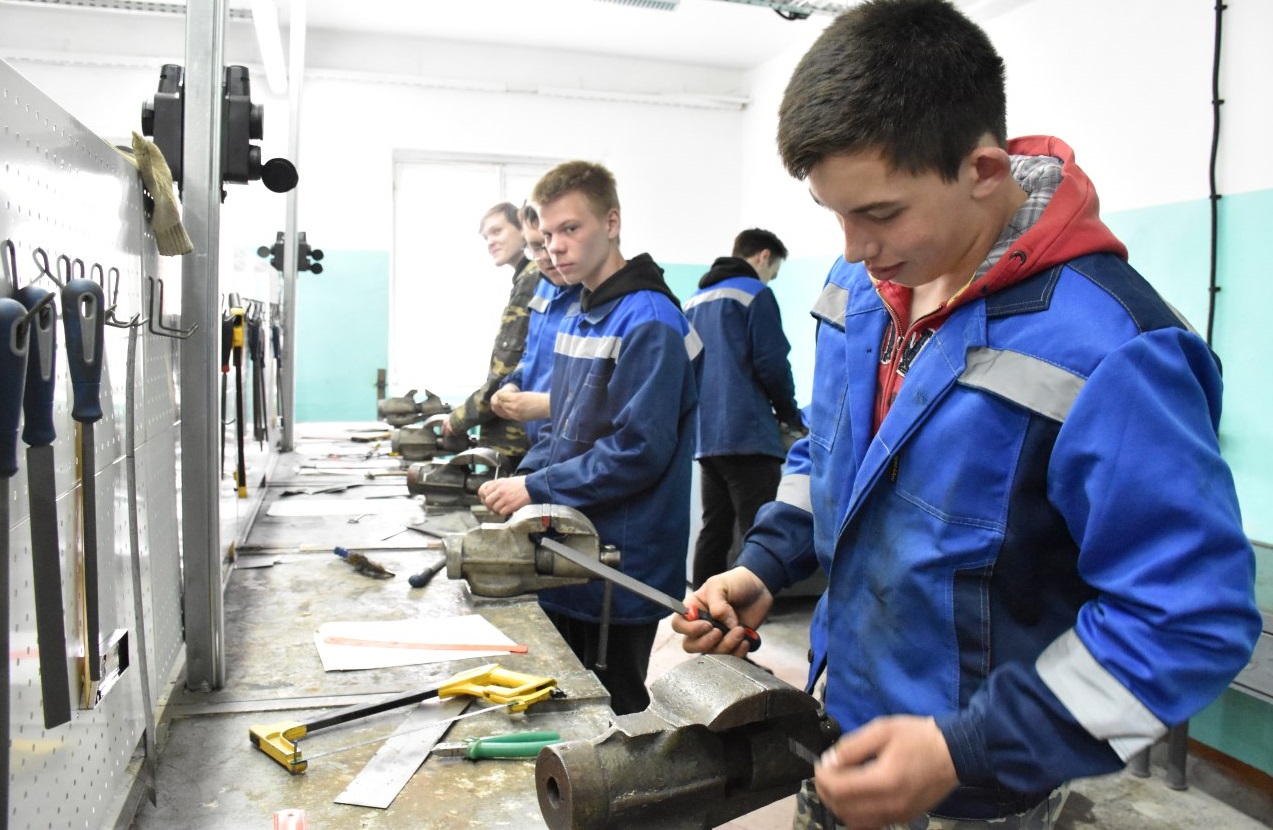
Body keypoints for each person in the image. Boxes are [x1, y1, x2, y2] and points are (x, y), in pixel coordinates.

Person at [671, 2, 1261, 828]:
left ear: (982, 169)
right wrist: (763, 565)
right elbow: (829, 456)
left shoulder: (1111, 351)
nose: (851, 247)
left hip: (982, 792)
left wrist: (970, 748)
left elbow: (1187, 617)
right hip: (838, 731)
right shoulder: (858, 289)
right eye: (834, 213)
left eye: (880, 213)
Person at [478, 161, 701, 715]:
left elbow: (638, 452)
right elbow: (566, 428)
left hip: (617, 562)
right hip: (572, 546)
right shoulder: (582, 314)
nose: (555, 246)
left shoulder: (649, 321)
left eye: (571, 229)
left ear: (612, 223)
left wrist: (537, 488)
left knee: (609, 708)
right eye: (548, 233)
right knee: (562, 699)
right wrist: (521, 481)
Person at [683, 228, 801, 589]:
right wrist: (790, 416)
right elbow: (772, 363)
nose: (770, 279)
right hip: (749, 436)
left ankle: (700, 607)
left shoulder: (693, 301)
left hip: (707, 439)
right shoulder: (755, 293)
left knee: (714, 529)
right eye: (774, 272)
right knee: (760, 531)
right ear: (764, 257)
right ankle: (752, 607)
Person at [443, 202, 539, 466]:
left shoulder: (532, 279)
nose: (490, 242)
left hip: (517, 440)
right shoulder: (525, 279)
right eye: (486, 237)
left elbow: (505, 370)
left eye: (497, 231)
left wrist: (458, 419)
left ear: (522, 228)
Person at [490, 204, 582, 447]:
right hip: (541, 444)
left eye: (547, 242)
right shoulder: (544, 286)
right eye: (535, 247)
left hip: (571, 446)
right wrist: (513, 384)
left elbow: (608, 404)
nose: (545, 255)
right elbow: (531, 355)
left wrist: (546, 405)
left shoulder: (593, 296)